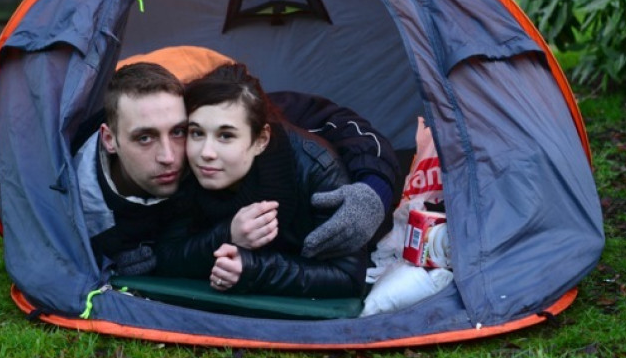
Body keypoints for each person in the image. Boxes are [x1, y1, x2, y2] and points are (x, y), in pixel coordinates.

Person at [74, 60, 400, 275]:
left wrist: (375, 188)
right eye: (144, 138)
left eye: (180, 131)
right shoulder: (74, 207)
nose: (170, 156)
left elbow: (342, 127)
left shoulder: (219, 116)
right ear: (110, 140)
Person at [154, 62, 366, 297]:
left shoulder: (317, 169)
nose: (206, 152)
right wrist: (228, 235)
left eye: (225, 136)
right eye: (197, 133)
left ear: (260, 140)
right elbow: (164, 255)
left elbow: (347, 276)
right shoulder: (186, 163)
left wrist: (254, 268)